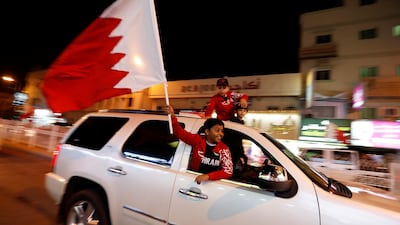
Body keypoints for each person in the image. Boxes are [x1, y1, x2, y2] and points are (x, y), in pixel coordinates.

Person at [167, 105, 233, 184]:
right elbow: (180, 133)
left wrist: (208, 176)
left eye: (222, 131)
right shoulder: (198, 140)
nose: (220, 134)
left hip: (211, 183)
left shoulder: (224, 149)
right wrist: (172, 116)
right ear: (207, 132)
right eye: (217, 130)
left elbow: (228, 171)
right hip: (191, 180)